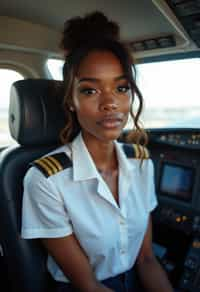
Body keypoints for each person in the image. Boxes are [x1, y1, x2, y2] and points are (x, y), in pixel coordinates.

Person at [21, 11, 173, 292]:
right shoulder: (44, 180)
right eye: (90, 91)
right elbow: (87, 285)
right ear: (71, 101)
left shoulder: (141, 162)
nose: (110, 103)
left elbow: (147, 259)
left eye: (121, 87)